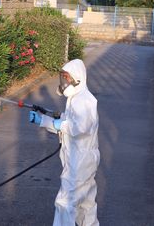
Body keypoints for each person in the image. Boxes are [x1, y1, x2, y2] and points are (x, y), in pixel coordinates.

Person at [29, 59, 100, 226]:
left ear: (77, 78)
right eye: (63, 78)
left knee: (65, 202)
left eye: (67, 78)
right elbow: (67, 124)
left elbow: (79, 127)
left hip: (80, 161)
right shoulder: (77, 97)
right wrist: (44, 120)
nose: (64, 82)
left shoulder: (84, 100)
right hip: (83, 160)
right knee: (86, 203)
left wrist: (54, 123)